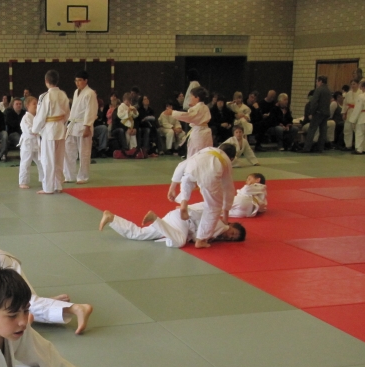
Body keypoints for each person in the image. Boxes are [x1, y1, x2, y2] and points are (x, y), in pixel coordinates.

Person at [168, 143, 237, 248]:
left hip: (192, 167)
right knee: (214, 207)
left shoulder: (207, 150)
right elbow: (228, 189)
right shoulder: (226, 161)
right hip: (210, 174)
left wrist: (172, 187)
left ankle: (184, 202)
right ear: (232, 158)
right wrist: (225, 218)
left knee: (188, 181)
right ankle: (201, 240)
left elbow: (182, 165)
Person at [99, 204, 246, 248]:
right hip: (182, 220)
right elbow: (197, 241)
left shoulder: (217, 232)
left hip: (176, 221)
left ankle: (112, 218)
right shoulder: (220, 225)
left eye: (233, 238)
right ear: (231, 225)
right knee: (179, 242)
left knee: (139, 234)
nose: (230, 236)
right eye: (233, 233)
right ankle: (155, 219)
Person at [31, 69, 70, 195]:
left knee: (47, 160)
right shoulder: (63, 95)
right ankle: (58, 185)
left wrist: (35, 129)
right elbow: (67, 114)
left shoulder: (44, 96)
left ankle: (48, 187)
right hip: (60, 128)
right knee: (59, 159)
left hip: (49, 130)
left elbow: (41, 116)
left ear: (46, 81)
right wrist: (61, 123)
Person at [63, 70, 97, 184]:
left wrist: (87, 127)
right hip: (73, 124)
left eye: (80, 80)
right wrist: (67, 125)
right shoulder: (76, 92)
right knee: (68, 150)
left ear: (86, 81)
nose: (77, 83)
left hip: (83, 125)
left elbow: (91, 110)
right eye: (76, 80)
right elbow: (73, 110)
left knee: (84, 153)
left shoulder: (90, 93)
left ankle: (83, 176)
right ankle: (69, 176)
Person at [165, 86, 213, 158]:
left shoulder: (198, 108)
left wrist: (172, 112)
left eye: (191, 96)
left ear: (197, 97)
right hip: (204, 132)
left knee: (195, 155)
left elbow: (189, 116)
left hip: (199, 133)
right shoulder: (204, 107)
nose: (190, 98)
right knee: (205, 155)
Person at [18, 95, 43, 189]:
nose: (36, 105)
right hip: (27, 143)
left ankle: (44, 179)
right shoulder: (25, 118)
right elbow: (30, 130)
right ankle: (23, 182)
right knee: (25, 163)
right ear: (27, 105)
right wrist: (39, 131)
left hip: (36, 143)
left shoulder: (37, 117)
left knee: (42, 162)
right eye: (34, 104)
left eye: (37, 103)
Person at [303, 75, 332, 153]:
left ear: (320, 81)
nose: (316, 83)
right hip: (325, 113)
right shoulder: (328, 90)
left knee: (312, 130)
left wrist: (311, 112)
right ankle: (320, 148)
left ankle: (307, 148)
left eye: (317, 81)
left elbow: (314, 102)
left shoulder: (318, 90)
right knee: (323, 131)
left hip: (318, 113)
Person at [350, 79, 365, 155]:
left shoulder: (361, 96)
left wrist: (353, 119)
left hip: (362, 115)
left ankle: (359, 149)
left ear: (363, 87)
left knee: (359, 133)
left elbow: (357, 108)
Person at [341, 79, 360, 150]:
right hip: (349, 112)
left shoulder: (361, 93)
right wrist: (344, 113)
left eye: (354, 84)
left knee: (357, 130)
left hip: (357, 112)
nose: (352, 86)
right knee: (347, 129)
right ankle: (348, 145)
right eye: (351, 84)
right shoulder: (348, 93)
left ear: (358, 85)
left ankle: (358, 146)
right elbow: (345, 104)